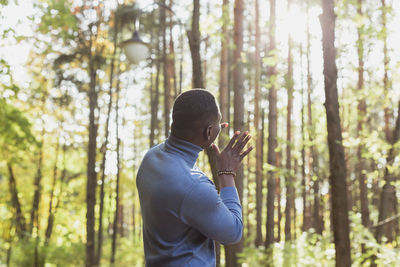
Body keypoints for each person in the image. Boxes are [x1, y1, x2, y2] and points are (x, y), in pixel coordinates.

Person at [136, 89, 253, 266]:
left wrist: (207, 133)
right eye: (217, 124)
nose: (220, 127)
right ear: (208, 132)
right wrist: (226, 173)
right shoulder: (194, 187)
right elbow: (233, 232)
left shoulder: (151, 158)